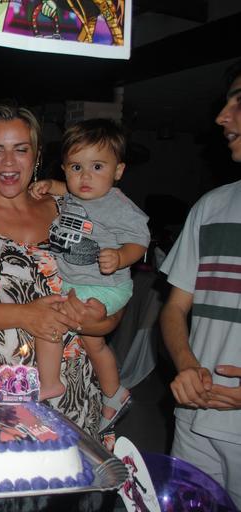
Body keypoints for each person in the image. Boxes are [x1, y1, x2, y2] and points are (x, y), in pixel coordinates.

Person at [0, 102, 123, 434]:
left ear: (36, 156)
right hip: (2, 396)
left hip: (77, 389)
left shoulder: (74, 208)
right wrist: (25, 314)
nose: (9, 162)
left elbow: (114, 282)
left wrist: (104, 320)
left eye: (21, 149)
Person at [28, 118, 150, 432]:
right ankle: (115, 394)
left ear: (118, 171)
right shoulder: (76, 195)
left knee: (51, 319)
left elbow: (140, 240)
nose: (85, 177)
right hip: (79, 282)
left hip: (106, 284)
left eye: (97, 167)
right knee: (95, 345)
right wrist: (48, 185)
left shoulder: (117, 206)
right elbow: (65, 190)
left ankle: (50, 382)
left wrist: (121, 257)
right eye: (76, 167)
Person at [159, 59, 241, 507]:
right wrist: (186, 365)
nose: (222, 117)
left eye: (239, 102)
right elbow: (174, 308)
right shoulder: (210, 206)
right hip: (194, 418)